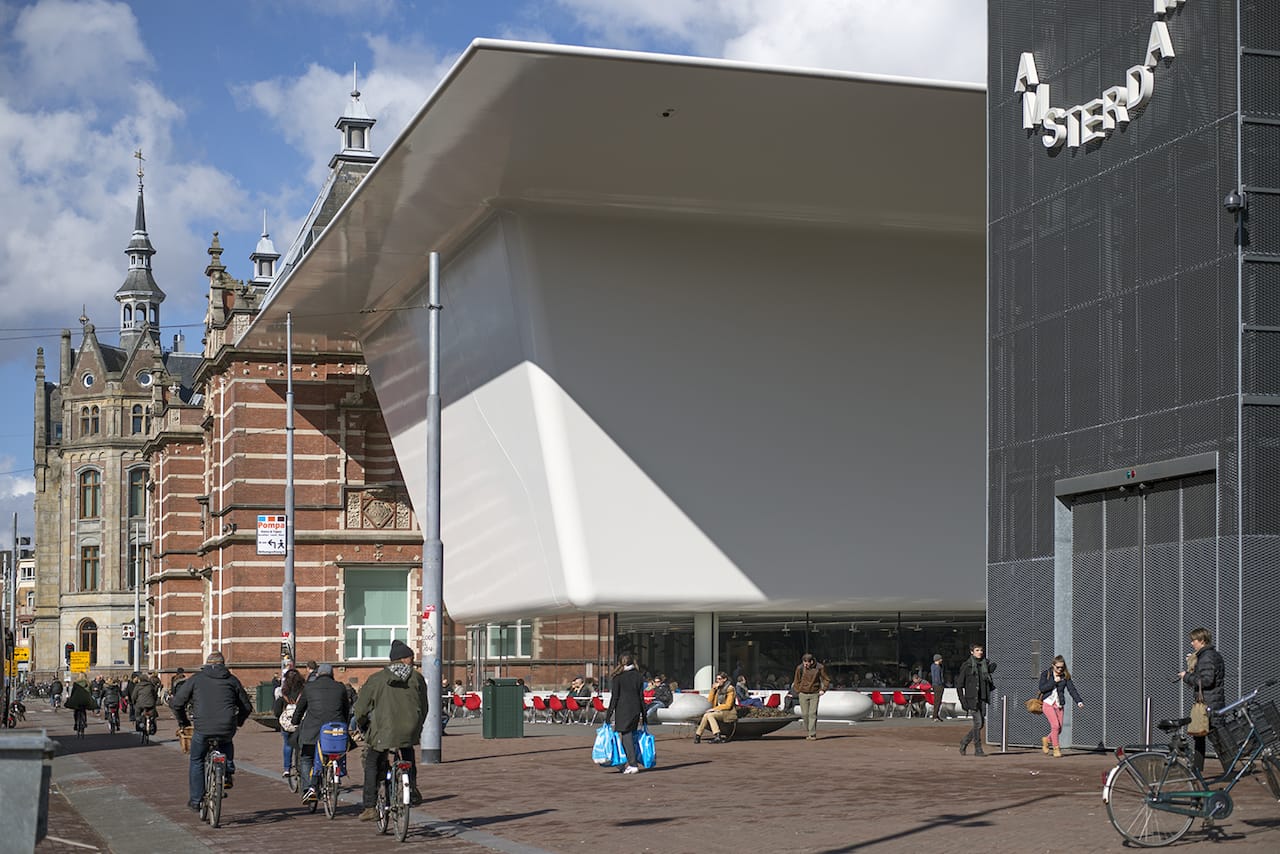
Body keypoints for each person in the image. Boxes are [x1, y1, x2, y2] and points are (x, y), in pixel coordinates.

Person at [353, 639, 428, 821]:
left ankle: (370, 807)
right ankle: (413, 788)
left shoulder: (377, 679)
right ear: (404, 659)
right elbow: (425, 706)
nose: (414, 661)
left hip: (383, 731)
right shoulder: (417, 678)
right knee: (407, 751)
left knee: (372, 762)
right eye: (411, 658)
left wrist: (363, 725)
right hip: (410, 729)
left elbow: (360, 709)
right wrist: (418, 725)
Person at [169, 651, 253, 812]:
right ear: (223, 665)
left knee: (196, 760)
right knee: (227, 740)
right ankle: (227, 771)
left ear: (207, 664)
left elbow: (177, 703)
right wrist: (238, 722)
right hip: (226, 726)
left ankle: (195, 800)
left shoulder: (196, 679)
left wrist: (183, 722)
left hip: (203, 727)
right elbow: (247, 707)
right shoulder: (232, 680)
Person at [291, 663, 351, 803]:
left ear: (317, 674)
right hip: (335, 730)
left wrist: (295, 721)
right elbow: (346, 709)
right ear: (332, 674)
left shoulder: (309, 688)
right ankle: (334, 776)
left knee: (306, 757)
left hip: (313, 730)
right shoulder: (340, 687)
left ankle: (308, 789)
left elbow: (300, 709)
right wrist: (345, 725)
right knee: (336, 753)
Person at [1179, 626, 1226, 774]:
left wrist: (1186, 676)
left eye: (1194, 640)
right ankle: (1198, 769)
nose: (1192, 643)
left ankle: (1227, 769)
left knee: (1213, 737)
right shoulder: (1212, 655)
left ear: (1202, 640)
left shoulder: (1206, 657)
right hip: (1213, 701)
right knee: (1205, 736)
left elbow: (1206, 681)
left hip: (1208, 703)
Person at [604, 653, 647, 774]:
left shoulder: (618, 677)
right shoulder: (638, 676)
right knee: (628, 735)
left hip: (623, 710)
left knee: (626, 735)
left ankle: (632, 764)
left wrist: (609, 714)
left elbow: (615, 697)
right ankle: (624, 762)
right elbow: (641, 697)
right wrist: (644, 714)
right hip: (635, 709)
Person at [1037, 655, 1083, 758]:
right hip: (1048, 703)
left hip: (1059, 704)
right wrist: (1054, 682)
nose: (1060, 669)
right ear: (1053, 665)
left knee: (1059, 729)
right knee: (1055, 726)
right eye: (1057, 667)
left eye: (1062, 667)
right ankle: (1056, 749)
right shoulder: (1046, 674)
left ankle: (1047, 740)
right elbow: (1042, 688)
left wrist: (1078, 701)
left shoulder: (1065, 676)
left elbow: (1072, 689)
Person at [957, 643, 996, 756]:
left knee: (980, 724)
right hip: (972, 699)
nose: (980, 652)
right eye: (977, 650)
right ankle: (978, 749)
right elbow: (959, 685)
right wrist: (963, 701)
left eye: (981, 650)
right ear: (972, 652)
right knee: (978, 723)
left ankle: (964, 741)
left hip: (982, 697)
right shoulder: (967, 666)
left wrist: (990, 670)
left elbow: (987, 679)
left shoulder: (985, 664)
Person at [272, 668, 305, 779]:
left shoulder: (283, 692)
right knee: (301, 745)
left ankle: (287, 769)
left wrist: (280, 717)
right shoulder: (304, 691)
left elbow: (276, 710)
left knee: (287, 744)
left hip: (287, 723)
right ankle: (301, 767)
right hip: (300, 722)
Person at [792, 653, 831, 741]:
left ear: (812, 661)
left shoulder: (819, 667)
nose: (805, 665)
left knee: (812, 713)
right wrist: (798, 690)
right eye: (804, 662)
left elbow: (826, 679)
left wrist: (823, 689)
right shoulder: (800, 668)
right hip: (803, 693)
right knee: (805, 714)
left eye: (807, 663)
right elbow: (796, 680)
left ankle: (812, 734)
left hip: (814, 693)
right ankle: (809, 730)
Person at [694, 672, 737, 744]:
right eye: (717, 679)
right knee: (706, 715)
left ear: (724, 679)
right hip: (718, 711)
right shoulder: (718, 689)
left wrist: (714, 709)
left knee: (710, 715)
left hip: (727, 712)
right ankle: (698, 735)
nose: (717, 681)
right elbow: (709, 701)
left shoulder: (730, 689)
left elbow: (728, 705)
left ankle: (717, 735)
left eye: (719, 679)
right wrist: (713, 689)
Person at [930, 654, 946, 721]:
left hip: (934, 685)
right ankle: (935, 716)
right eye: (940, 659)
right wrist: (941, 683)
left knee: (936, 700)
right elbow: (938, 677)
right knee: (938, 701)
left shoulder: (932, 666)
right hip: (938, 685)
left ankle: (936, 715)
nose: (941, 660)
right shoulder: (937, 667)